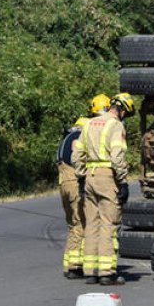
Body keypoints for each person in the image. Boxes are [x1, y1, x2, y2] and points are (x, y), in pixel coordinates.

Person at [72, 92, 134, 285]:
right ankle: (106, 273)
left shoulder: (89, 123)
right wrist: (123, 181)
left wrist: (81, 176)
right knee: (108, 224)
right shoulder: (115, 125)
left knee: (91, 224)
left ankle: (90, 271)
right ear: (123, 110)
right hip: (107, 176)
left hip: (89, 176)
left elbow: (77, 153)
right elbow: (117, 156)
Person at [55, 94, 112, 279]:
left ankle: (71, 263)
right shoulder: (78, 136)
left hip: (63, 183)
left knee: (73, 224)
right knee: (82, 222)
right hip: (73, 182)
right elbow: (78, 157)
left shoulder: (67, 137)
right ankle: (74, 266)